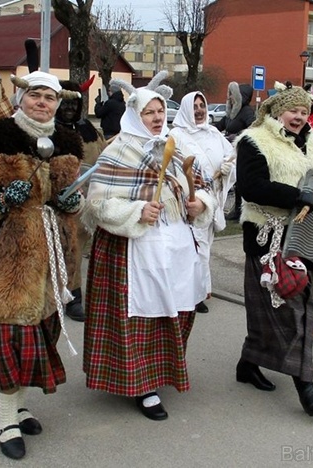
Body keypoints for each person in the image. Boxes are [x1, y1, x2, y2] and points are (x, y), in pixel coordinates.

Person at [0, 71, 84, 460]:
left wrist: (70, 203)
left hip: (51, 256)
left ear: (58, 104)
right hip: (3, 256)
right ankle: (7, 419)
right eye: (35, 95)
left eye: (50, 97)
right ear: (21, 97)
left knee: (38, 337)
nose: (42, 102)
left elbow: (78, 196)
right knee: (11, 341)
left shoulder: (67, 142)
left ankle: (20, 406)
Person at [81, 71, 216, 422]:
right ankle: (142, 385)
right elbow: (97, 203)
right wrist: (137, 210)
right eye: (149, 113)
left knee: (176, 312)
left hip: (176, 248)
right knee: (141, 318)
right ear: (134, 116)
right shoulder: (118, 151)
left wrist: (199, 203)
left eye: (160, 112)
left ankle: (163, 371)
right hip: (134, 250)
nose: (157, 118)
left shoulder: (177, 145)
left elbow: (200, 184)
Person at [234, 81, 313, 417]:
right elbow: (251, 187)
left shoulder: (309, 142)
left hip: (300, 236)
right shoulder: (254, 141)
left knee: (279, 310)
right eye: (293, 110)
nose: (299, 116)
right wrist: (295, 196)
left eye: (305, 111)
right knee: (293, 312)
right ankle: (305, 385)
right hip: (266, 236)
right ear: (278, 111)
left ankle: (248, 363)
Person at [170, 90, 236, 314]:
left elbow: (230, 158)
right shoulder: (176, 136)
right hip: (191, 199)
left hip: (212, 199)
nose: (199, 110)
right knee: (193, 247)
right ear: (187, 108)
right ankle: (191, 293)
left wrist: (228, 170)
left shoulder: (214, 133)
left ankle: (202, 289)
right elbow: (174, 167)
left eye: (202, 106)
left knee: (205, 247)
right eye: (194, 106)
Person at [55, 76, 108, 322]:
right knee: (66, 249)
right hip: (57, 202)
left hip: (89, 201)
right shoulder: (49, 131)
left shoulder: (89, 130)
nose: (68, 109)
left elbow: (104, 157)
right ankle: (71, 295)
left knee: (81, 248)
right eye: (63, 103)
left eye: (73, 104)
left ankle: (76, 294)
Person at [216, 82, 255, 221]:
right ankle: (235, 209)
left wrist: (238, 135)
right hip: (229, 150)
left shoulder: (246, 111)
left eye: (232, 94)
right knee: (233, 180)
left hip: (241, 151)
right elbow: (220, 125)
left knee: (240, 181)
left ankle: (240, 210)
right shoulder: (232, 112)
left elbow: (253, 127)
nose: (230, 97)